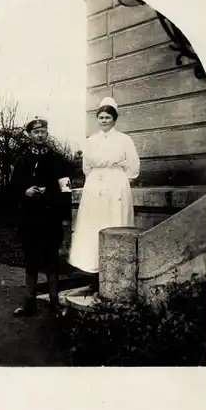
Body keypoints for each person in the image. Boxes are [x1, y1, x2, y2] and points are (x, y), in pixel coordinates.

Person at [68, 97, 140, 292]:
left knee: (114, 221)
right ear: (97, 119)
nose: (104, 120)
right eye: (101, 117)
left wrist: (117, 180)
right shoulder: (91, 141)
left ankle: (116, 275)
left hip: (116, 186)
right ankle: (95, 276)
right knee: (93, 226)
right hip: (94, 187)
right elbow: (87, 168)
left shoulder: (124, 140)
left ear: (114, 118)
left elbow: (133, 168)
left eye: (107, 117)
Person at [9, 116, 72, 316]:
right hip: (28, 220)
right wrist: (25, 193)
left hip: (51, 219)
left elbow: (66, 190)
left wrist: (63, 216)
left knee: (51, 259)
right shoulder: (22, 160)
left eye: (43, 131)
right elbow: (11, 190)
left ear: (47, 133)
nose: (40, 135)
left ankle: (54, 302)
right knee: (31, 260)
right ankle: (29, 302)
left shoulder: (57, 159)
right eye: (36, 132)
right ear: (30, 135)